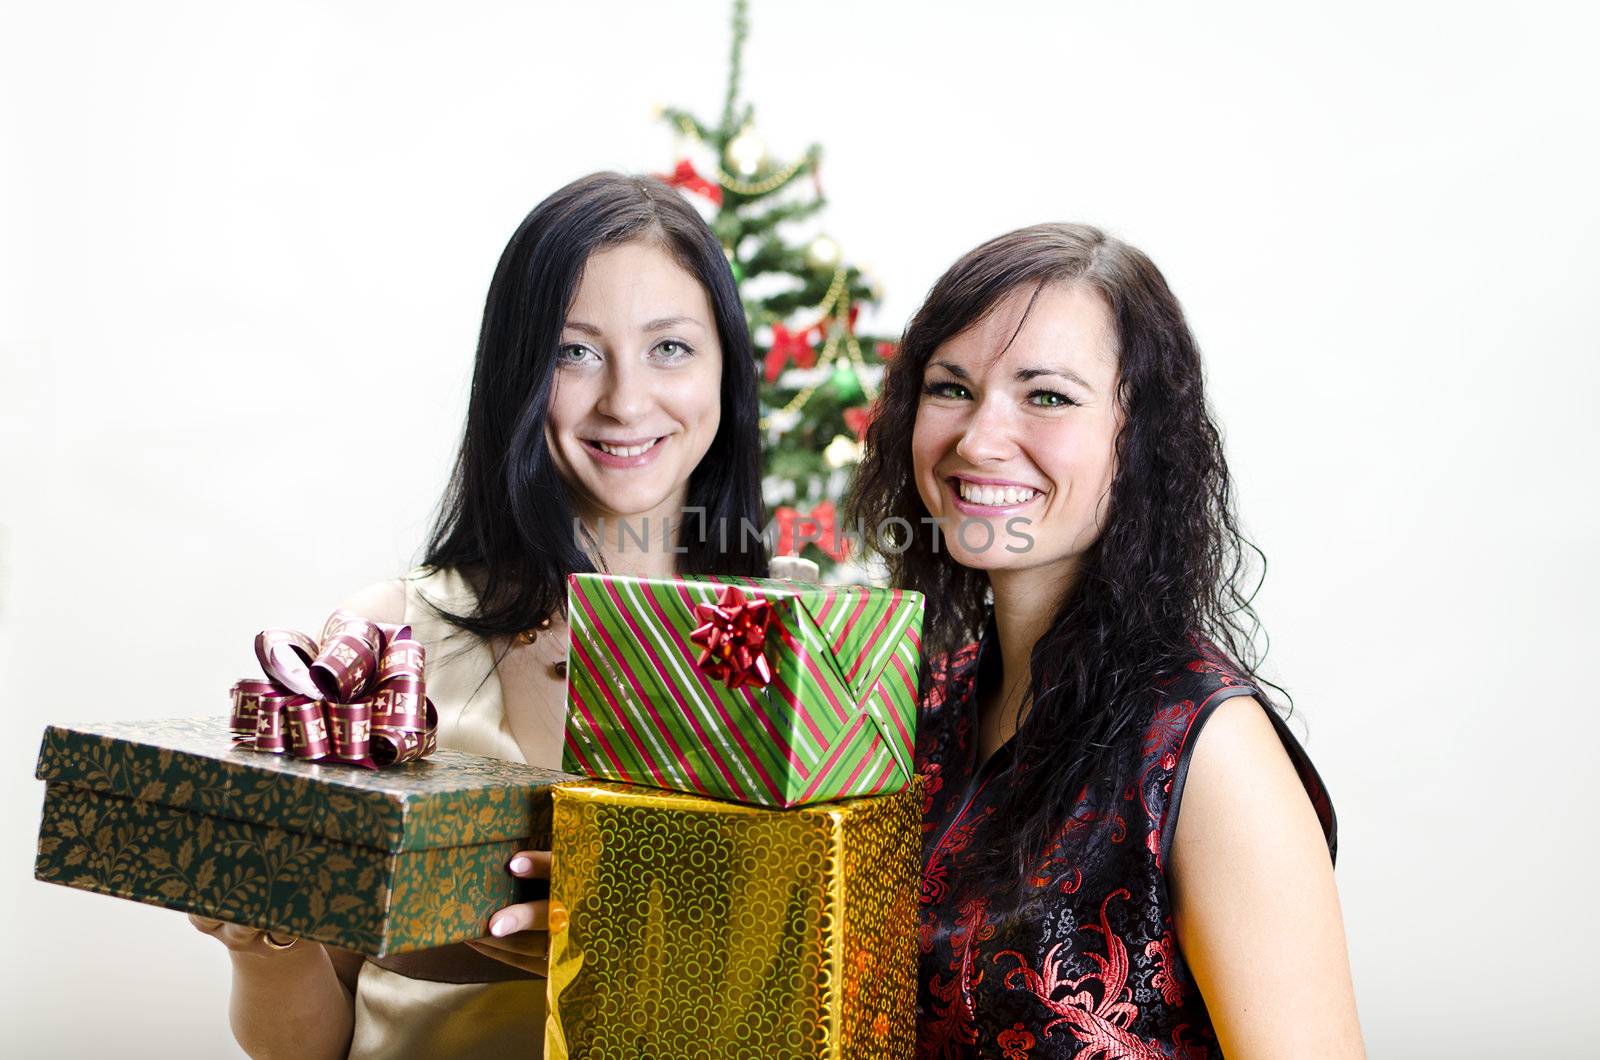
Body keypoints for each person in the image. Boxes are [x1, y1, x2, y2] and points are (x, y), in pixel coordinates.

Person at [189, 171, 767, 1059]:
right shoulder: (387, 645)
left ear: (726, 364)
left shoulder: (800, 648)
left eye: (671, 348)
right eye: (575, 352)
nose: (624, 400)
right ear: (517, 373)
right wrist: (264, 939)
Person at [848, 224, 1364, 1057]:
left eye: (1047, 396)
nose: (978, 439)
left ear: (1142, 440)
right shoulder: (919, 701)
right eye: (950, 388)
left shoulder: (1208, 749)